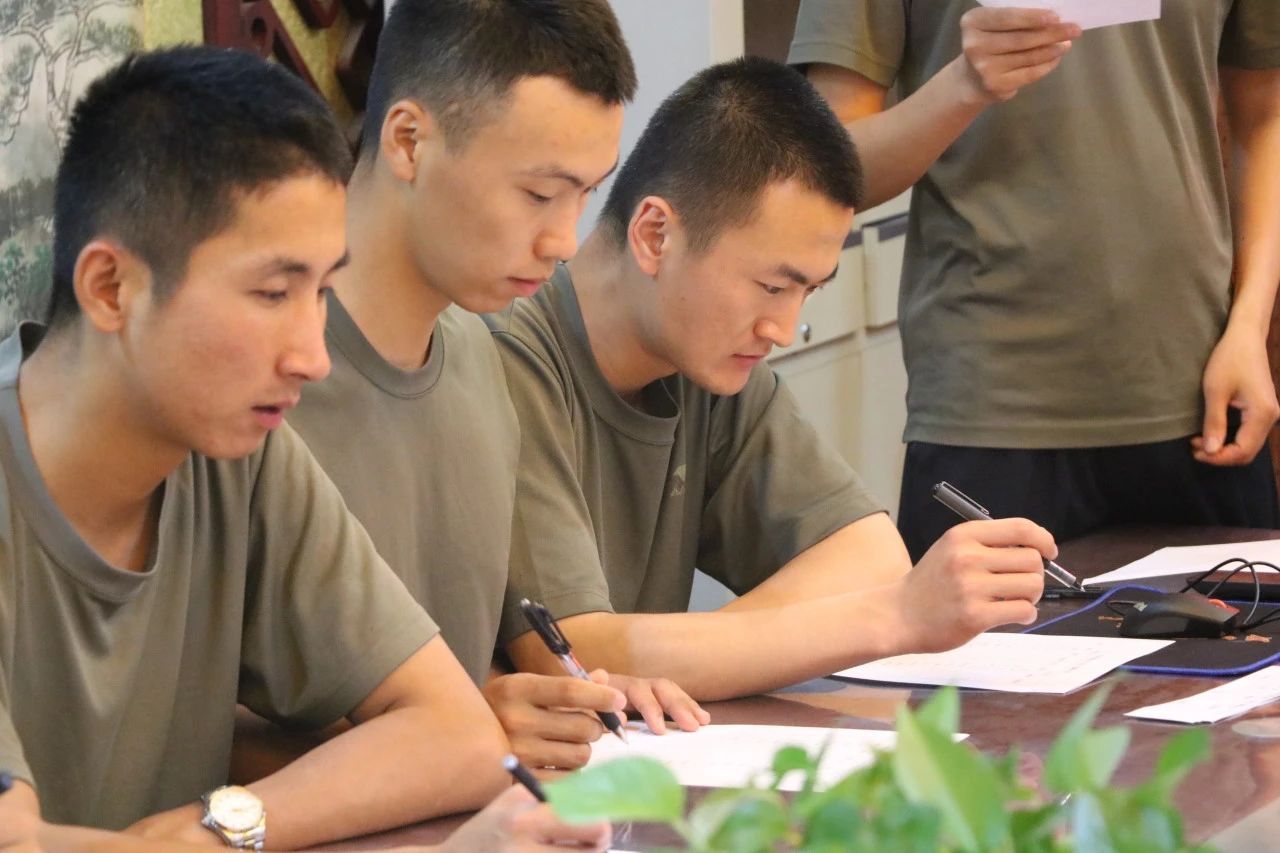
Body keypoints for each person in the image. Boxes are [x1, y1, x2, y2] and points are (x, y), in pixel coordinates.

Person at [0, 45, 607, 852]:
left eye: (321, 291)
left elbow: (458, 734)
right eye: (272, 292)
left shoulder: (237, 454)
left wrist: (217, 831)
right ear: (111, 287)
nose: (313, 357)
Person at [486, 57, 1057, 703]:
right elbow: (572, 655)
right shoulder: (507, 359)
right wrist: (895, 616)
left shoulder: (701, 361)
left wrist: (691, 659)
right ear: (654, 235)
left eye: (808, 291)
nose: (781, 328)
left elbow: (869, 558)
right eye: (772, 286)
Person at [271, 0, 705, 775]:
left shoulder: (481, 356)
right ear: (409, 141)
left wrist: (550, 700)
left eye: (585, 194)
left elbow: (468, 659)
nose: (563, 240)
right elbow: (194, 729)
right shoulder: (257, 372)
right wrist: (460, 725)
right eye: (539, 194)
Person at [789, 3, 1280, 560]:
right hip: (990, 397)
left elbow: (1264, 116)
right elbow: (827, 167)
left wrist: (1250, 326)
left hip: (1200, 388)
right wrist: (962, 85)